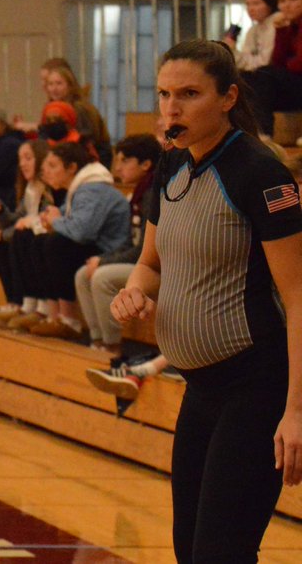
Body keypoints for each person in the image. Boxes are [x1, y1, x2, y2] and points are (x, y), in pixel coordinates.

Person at [111, 39, 302, 563]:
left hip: (255, 387)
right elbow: (150, 265)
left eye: (189, 94)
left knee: (221, 554)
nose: (171, 108)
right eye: (164, 95)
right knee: (189, 550)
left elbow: (298, 296)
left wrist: (296, 411)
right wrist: (133, 291)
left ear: (227, 98)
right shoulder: (171, 165)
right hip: (199, 389)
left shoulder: (259, 172)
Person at [24, 143, 130, 339]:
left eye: (53, 165)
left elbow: (81, 231)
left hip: (110, 251)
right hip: (95, 245)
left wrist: (55, 221)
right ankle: (53, 315)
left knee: (56, 244)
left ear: (72, 167)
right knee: (39, 241)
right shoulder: (80, 187)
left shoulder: (92, 188)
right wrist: (51, 218)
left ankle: (69, 319)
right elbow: (66, 218)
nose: (46, 171)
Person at [74, 134, 162, 355]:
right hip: (137, 260)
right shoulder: (138, 193)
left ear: (146, 164)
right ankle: (96, 340)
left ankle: (112, 345)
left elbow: (144, 251)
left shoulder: (153, 195)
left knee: (102, 277)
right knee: (83, 274)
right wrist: (101, 259)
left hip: (156, 268)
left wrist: (103, 262)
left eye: (124, 160)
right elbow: (129, 242)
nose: (117, 168)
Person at [0, 139, 53, 326]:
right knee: (1, 243)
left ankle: (36, 306)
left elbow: (36, 222)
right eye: (20, 159)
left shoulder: (49, 189)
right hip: (27, 235)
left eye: (28, 158)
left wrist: (4, 233)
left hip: (42, 238)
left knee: (20, 238)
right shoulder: (31, 189)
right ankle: (15, 302)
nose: (22, 164)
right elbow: (16, 219)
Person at [244, 0, 302, 137]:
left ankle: (264, 134)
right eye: (283, 1)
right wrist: (281, 31)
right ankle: (252, 132)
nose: (287, 5)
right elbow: (278, 61)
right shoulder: (288, 26)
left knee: (264, 74)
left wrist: (288, 64)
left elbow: (298, 64)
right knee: (245, 79)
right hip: (294, 82)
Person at [44, 62, 113, 168]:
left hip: (94, 160)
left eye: (59, 83)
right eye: (51, 84)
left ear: (70, 85)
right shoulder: (51, 109)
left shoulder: (80, 108)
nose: (54, 89)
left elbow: (84, 140)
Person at [221, 0, 281, 73]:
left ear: (270, 4)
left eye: (256, 3)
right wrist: (232, 50)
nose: (251, 9)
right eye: (248, 4)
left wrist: (234, 52)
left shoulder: (277, 24)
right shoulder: (253, 29)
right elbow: (246, 59)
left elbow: (264, 62)